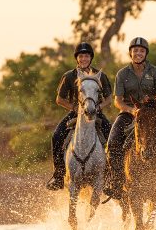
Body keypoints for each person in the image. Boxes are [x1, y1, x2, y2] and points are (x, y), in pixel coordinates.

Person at [104, 37, 156, 200]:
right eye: (135, 50)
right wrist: (131, 110)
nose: (138, 53)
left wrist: (151, 107)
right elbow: (117, 100)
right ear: (130, 53)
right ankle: (116, 182)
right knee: (112, 142)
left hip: (150, 113)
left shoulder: (155, 72)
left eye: (141, 51)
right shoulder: (122, 73)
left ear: (146, 53)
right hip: (128, 114)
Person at [46, 42, 112, 190]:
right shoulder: (69, 76)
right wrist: (75, 108)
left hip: (96, 112)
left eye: (87, 56)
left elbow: (109, 98)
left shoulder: (99, 75)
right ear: (77, 58)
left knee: (112, 136)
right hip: (75, 113)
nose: (84, 59)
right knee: (56, 135)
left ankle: (112, 175)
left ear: (91, 58)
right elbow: (59, 99)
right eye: (81, 56)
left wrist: (98, 107)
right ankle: (58, 175)